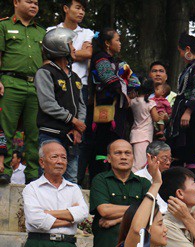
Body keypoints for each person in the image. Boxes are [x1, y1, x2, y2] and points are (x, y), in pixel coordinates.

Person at [0, 0, 46, 183]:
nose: (34, 5)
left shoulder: (41, 32)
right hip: (10, 83)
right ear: (16, 2)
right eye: (29, 1)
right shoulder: (4, 26)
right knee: (5, 130)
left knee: (34, 132)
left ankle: (33, 174)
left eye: (36, 3)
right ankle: (5, 171)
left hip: (35, 86)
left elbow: (45, 63)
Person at [35, 26, 85, 183]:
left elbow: (81, 105)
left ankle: (71, 208)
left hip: (71, 137)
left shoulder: (75, 77)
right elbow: (48, 104)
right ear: (60, 47)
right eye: (71, 44)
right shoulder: (46, 72)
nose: (75, 48)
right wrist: (73, 120)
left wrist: (78, 127)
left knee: (71, 178)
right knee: (50, 175)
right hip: (51, 134)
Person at [87, 28, 137, 179]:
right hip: (103, 110)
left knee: (115, 144)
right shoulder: (100, 58)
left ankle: (113, 177)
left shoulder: (119, 63)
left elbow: (134, 79)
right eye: (117, 40)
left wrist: (130, 91)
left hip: (118, 111)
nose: (120, 43)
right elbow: (107, 77)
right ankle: (99, 178)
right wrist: (121, 92)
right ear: (107, 43)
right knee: (102, 147)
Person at [167, 32, 195, 175]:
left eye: (180, 51)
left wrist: (188, 111)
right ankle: (177, 183)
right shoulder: (191, 66)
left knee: (190, 150)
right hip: (183, 110)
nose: (180, 55)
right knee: (180, 151)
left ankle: (189, 183)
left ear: (187, 49)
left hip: (193, 115)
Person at [130, 79, 168, 171]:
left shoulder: (133, 101)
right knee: (140, 163)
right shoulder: (150, 103)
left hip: (135, 133)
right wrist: (163, 117)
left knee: (136, 160)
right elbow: (156, 118)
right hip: (144, 135)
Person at [134, 141, 171, 213]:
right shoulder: (139, 178)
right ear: (150, 158)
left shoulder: (169, 177)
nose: (168, 162)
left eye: (170, 159)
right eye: (164, 159)